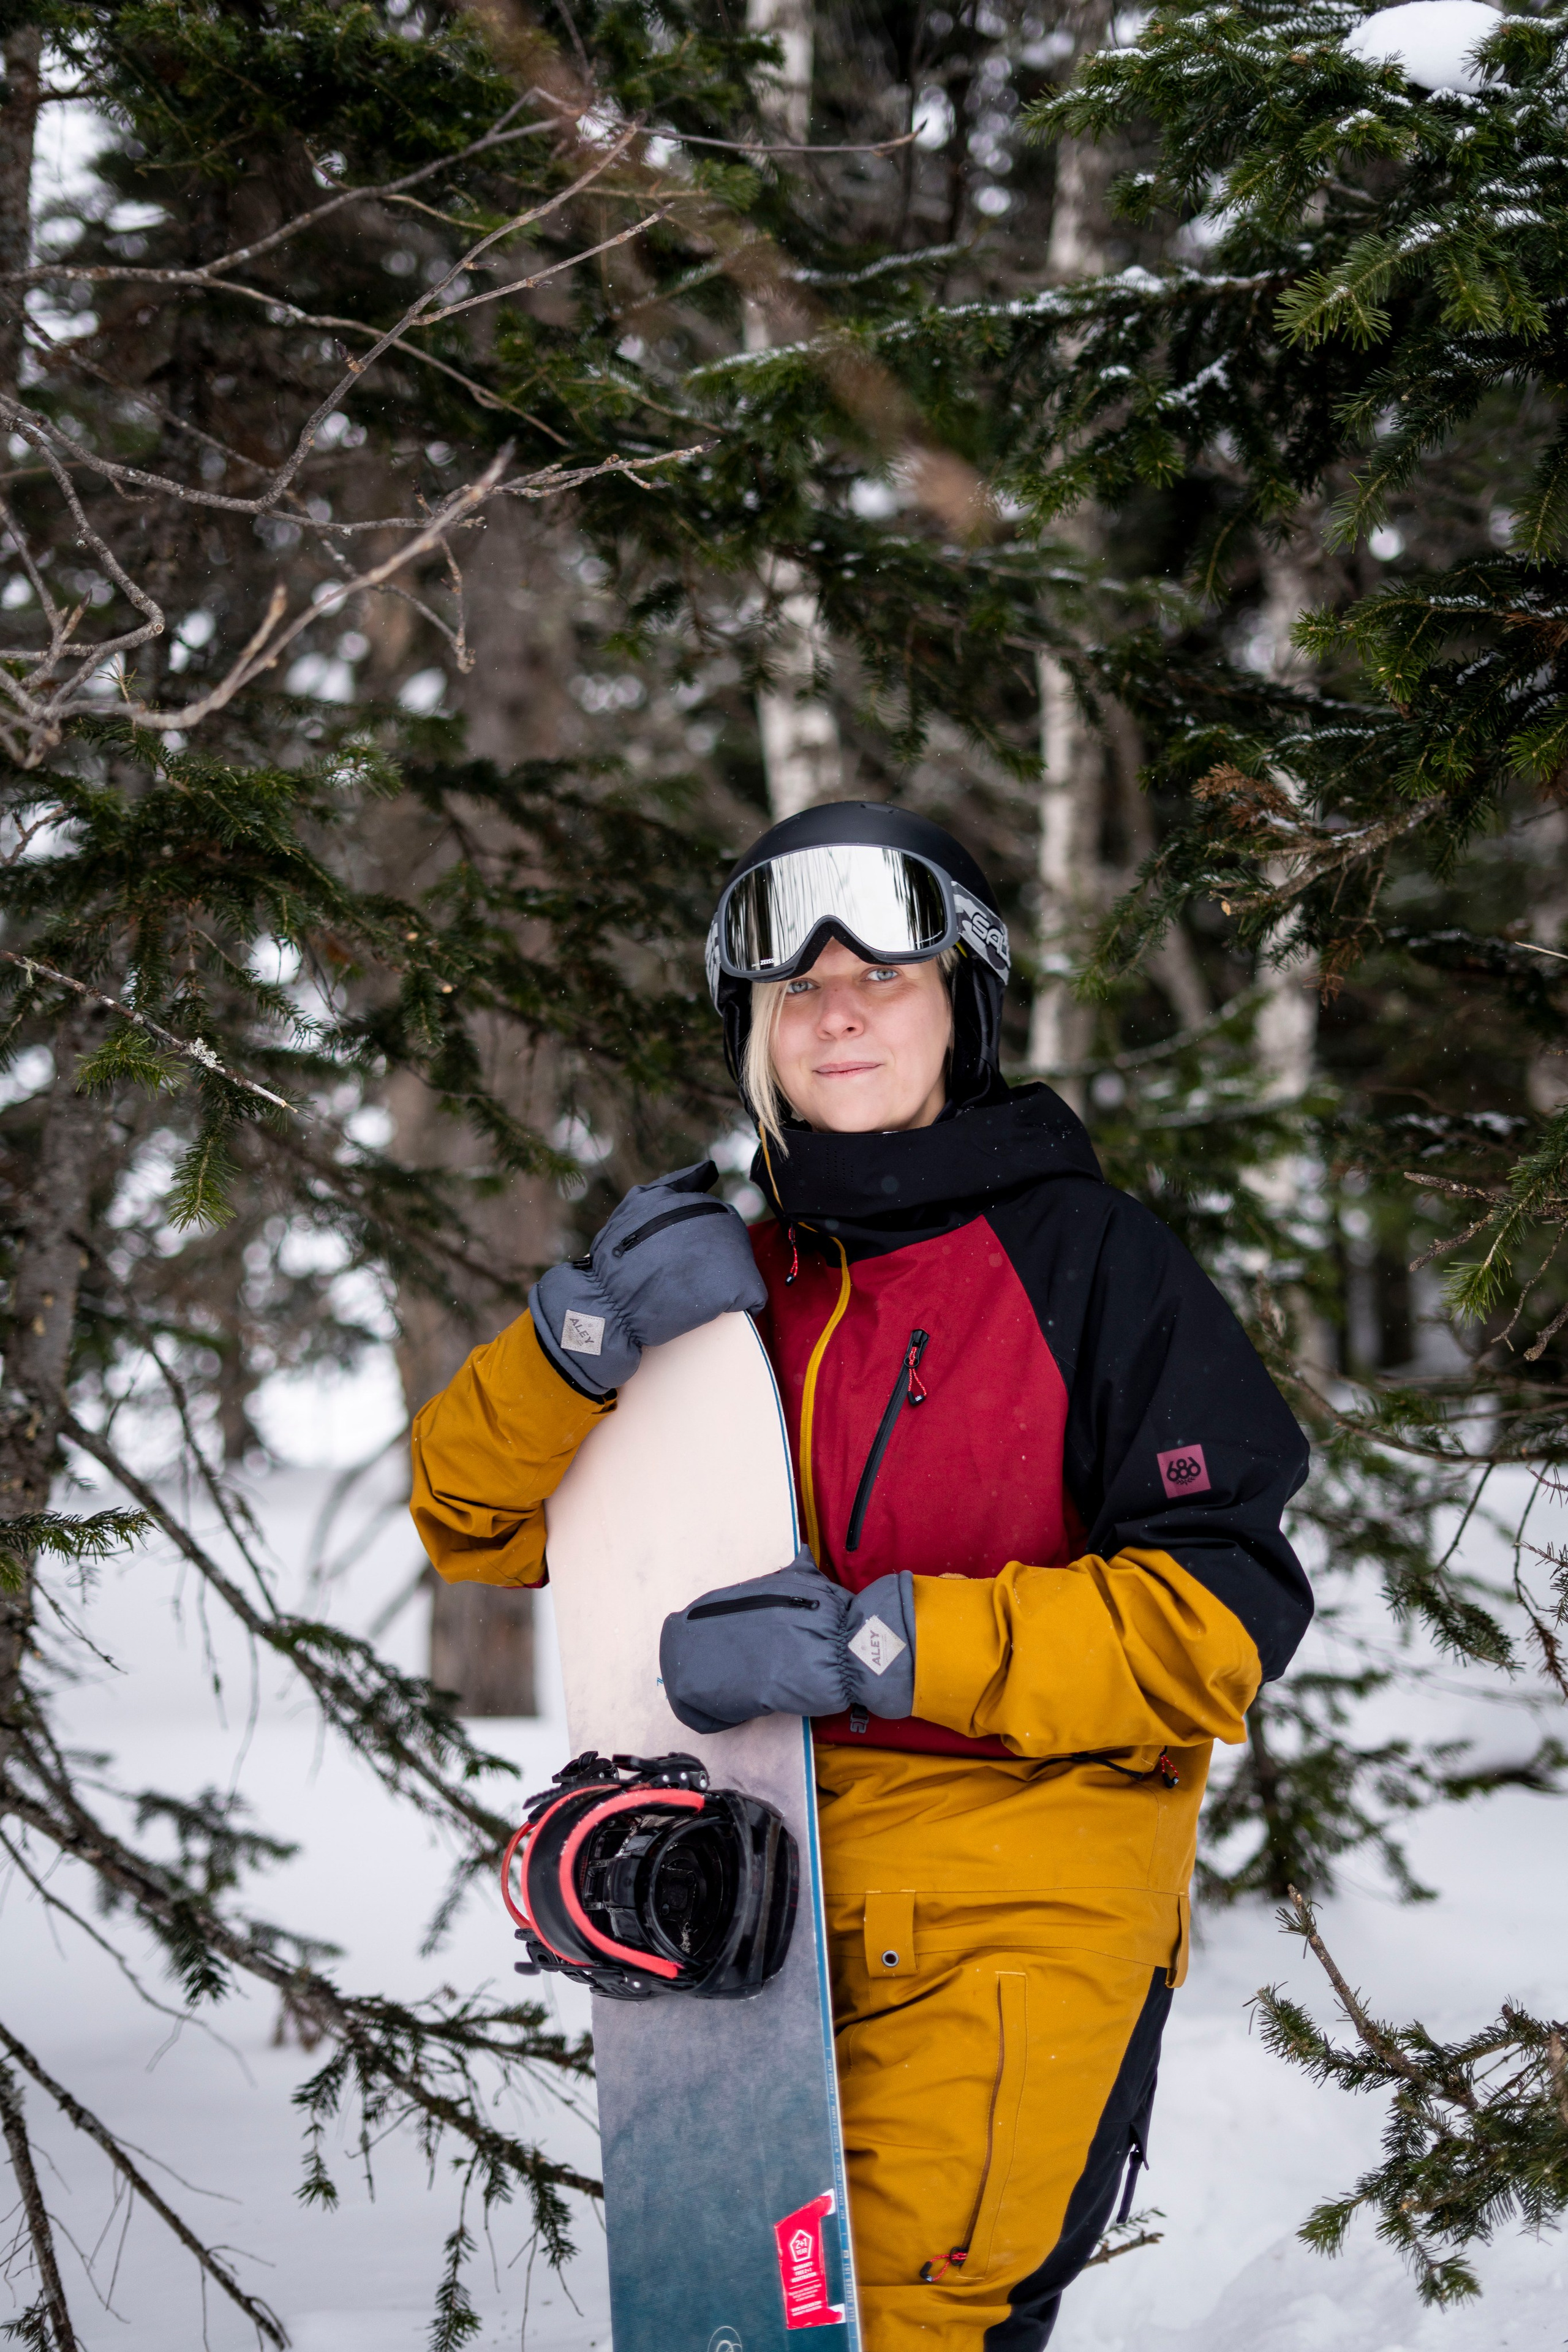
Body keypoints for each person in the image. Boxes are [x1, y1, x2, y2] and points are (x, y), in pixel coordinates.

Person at [409, 800, 1313, 2352]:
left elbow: (1216, 1622)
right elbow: (468, 1518)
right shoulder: (721, 1280)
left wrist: (882, 1650)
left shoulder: (1091, 1262)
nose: (835, 1012)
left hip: (1008, 1921)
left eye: (879, 978)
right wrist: (574, 1346)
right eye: (794, 988)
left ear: (960, 1004)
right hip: (753, 1926)